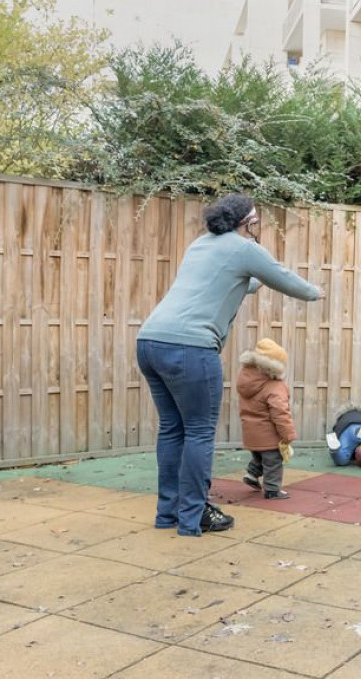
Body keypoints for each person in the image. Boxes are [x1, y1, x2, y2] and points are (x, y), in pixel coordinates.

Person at [136, 194, 323, 536]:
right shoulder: (244, 248)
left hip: (150, 341)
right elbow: (281, 277)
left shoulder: (199, 245)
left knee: (172, 429)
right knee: (198, 432)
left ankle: (168, 514)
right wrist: (315, 292)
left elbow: (237, 280)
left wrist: (255, 281)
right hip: (190, 347)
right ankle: (192, 519)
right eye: (255, 221)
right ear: (246, 222)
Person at [237, 338, 297, 500]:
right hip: (268, 435)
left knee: (259, 455)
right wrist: (288, 435)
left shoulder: (246, 381)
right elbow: (280, 413)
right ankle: (272, 490)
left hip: (250, 433)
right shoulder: (274, 386)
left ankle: (251, 475)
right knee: (273, 461)